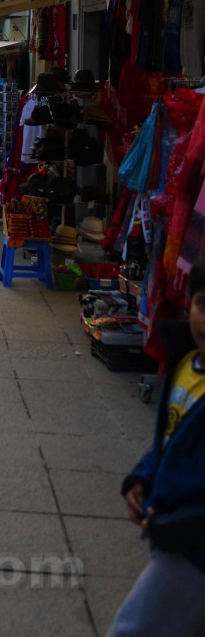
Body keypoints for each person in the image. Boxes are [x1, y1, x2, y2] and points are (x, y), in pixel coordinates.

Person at [105, 258, 205, 637]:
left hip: (192, 547)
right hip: (169, 528)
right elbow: (170, 441)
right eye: (203, 304)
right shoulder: (186, 367)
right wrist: (143, 476)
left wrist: (173, 524)